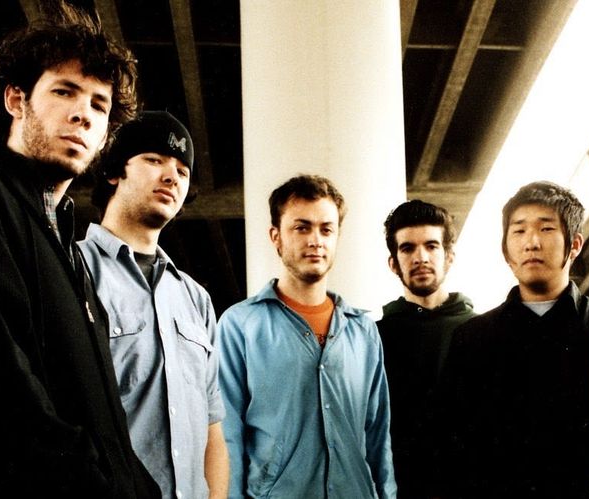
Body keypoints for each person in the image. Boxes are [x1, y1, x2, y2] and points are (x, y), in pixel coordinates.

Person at [0, 16, 159, 498]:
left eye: (99, 105)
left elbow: (105, 424)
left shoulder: (66, 247)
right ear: (16, 100)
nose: (84, 114)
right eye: (65, 92)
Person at [78, 111, 228, 499]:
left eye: (182, 170)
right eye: (154, 159)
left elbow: (213, 430)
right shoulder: (73, 270)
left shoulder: (196, 299)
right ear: (114, 172)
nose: (172, 176)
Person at [218, 175, 396, 498]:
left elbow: (377, 435)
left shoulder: (363, 331)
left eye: (326, 229)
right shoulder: (240, 325)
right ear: (276, 237)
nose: (316, 240)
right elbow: (228, 435)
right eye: (302, 228)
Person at [436, 181, 589, 498]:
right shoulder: (472, 337)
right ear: (505, 250)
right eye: (518, 231)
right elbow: (454, 447)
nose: (531, 242)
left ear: (575, 244)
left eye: (546, 229)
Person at [377, 199, 475, 498]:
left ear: (449, 257)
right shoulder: (374, 337)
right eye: (408, 248)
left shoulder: (482, 330)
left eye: (431, 246)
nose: (421, 257)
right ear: (393, 263)